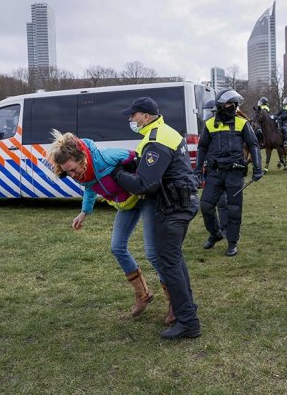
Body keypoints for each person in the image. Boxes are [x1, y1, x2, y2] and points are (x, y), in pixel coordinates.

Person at [47, 130, 171, 323]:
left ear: (81, 158)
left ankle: (175, 301)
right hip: (127, 204)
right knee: (117, 247)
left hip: (145, 199)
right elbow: (90, 188)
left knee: (152, 253)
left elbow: (137, 158)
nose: (71, 174)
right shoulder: (82, 173)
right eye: (67, 171)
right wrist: (84, 212)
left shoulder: (106, 158)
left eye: (72, 169)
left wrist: (144, 183)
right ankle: (142, 293)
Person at [113, 97, 202, 339]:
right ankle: (188, 308)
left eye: (133, 115)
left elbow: (147, 184)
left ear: (145, 115)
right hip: (180, 203)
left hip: (173, 207)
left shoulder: (156, 139)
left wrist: (118, 174)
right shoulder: (162, 132)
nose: (131, 119)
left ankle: (188, 323)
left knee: (168, 262)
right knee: (174, 260)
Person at [196, 89, 263, 257]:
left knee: (234, 209)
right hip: (215, 172)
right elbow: (202, 147)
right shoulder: (210, 124)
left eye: (234, 104)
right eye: (230, 104)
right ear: (220, 106)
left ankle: (232, 242)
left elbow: (253, 144)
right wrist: (197, 169)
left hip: (234, 172)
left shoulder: (242, 123)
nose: (233, 107)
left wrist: (257, 167)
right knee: (205, 205)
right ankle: (215, 233)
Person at [201, 99, 228, 238]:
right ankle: (215, 230)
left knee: (222, 201)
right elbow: (203, 148)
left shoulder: (222, 129)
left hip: (221, 170)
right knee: (208, 203)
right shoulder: (208, 127)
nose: (207, 115)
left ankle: (225, 228)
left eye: (210, 112)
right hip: (210, 169)